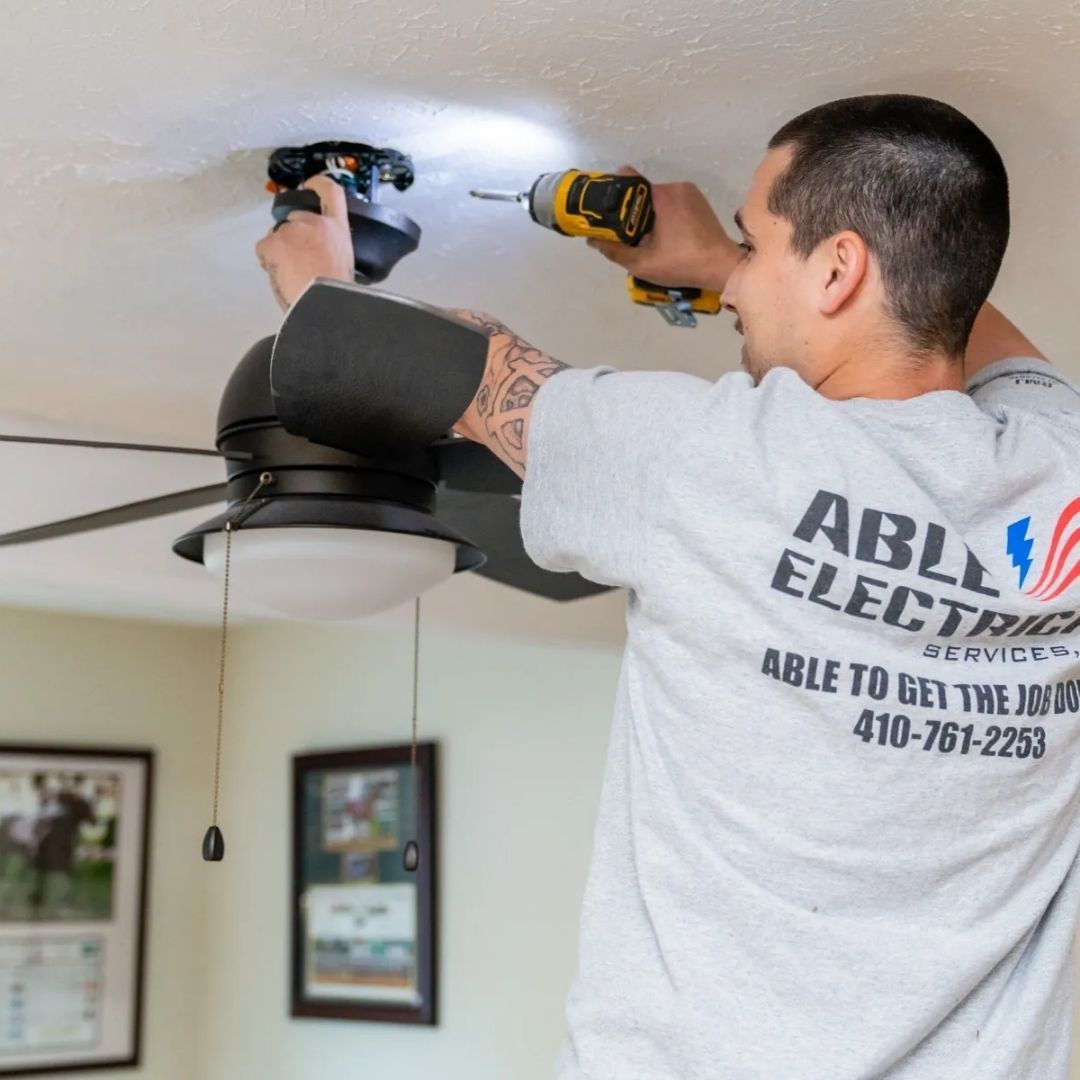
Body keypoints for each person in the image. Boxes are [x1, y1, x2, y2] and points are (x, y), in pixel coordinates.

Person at [256, 94, 1080, 1079]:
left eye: (755, 241)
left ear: (839, 269)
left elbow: (444, 365)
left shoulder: (709, 462)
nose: (738, 289)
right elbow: (952, 299)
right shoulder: (1060, 471)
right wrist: (732, 260)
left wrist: (321, 281)